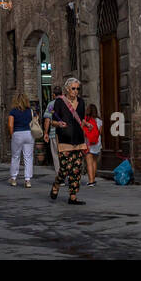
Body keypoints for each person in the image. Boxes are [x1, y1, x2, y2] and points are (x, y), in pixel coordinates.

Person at [48, 77, 89, 205]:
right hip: (64, 140)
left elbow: (80, 119)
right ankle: (56, 184)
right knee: (65, 168)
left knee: (76, 169)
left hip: (78, 140)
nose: (76, 91)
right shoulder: (59, 102)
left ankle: (72, 196)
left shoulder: (81, 102)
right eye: (73, 88)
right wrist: (58, 124)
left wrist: (86, 124)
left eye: (78, 88)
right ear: (67, 89)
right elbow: (52, 121)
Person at [7, 93, 34, 187]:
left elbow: (10, 125)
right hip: (29, 134)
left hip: (17, 134)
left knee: (15, 156)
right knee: (28, 157)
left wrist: (12, 135)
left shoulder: (13, 112)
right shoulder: (30, 111)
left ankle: (13, 178)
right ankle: (27, 180)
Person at [81, 103, 103, 187]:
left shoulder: (86, 120)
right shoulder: (99, 120)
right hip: (97, 142)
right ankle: (93, 179)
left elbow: (83, 131)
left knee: (89, 162)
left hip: (89, 142)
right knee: (94, 161)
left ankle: (90, 181)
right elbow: (100, 133)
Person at [42, 97, 59, 174]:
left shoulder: (51, 104)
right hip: (66, 133)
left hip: (53, 132)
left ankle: (60, 177)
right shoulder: (67, 102)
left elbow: (47, 119)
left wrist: (46, 133)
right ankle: (68, 174)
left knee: (55, 155)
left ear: (53, 95)